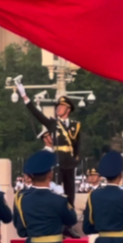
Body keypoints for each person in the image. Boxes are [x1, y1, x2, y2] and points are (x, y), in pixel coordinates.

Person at [17, 81, 82, 209]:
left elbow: (77, 144)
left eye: (61, 107)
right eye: (57, 106)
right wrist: (25, 96)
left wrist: (76, 159)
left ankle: (68, 224)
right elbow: (37, 114)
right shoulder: (53, 124)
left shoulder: (76, 125)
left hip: (69, 162)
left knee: (70, 193)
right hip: (57, 160)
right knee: (56, 191)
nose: (58, 108)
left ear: (68, 110)